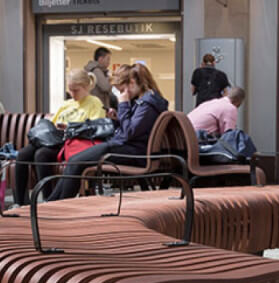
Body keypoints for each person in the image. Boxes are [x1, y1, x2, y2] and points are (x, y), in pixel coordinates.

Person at [46, 64, 168, 202]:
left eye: (122, 90)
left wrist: (123, 105)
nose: (121, 94)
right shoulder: (145, 101)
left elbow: (129, 133)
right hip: (126, 148)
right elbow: (131, 128)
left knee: (75, 162)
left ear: (132, 83)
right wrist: (118, 117)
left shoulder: (147, 104)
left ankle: (56, 204)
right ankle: (53, 202)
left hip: (133, 153)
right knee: (75, 162)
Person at [14, 69, 105, 205]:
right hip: (55, 138)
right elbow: (53, 122)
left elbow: (95, 127)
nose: (72, 94)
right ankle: (20, 202)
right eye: (70, 90)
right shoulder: (67, 104)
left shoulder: (95, 103)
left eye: (76, 90)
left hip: (71, 143)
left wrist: (69, 127)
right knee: (22, 155)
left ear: (86, 87)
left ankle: (49, 200)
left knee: (41, 154)